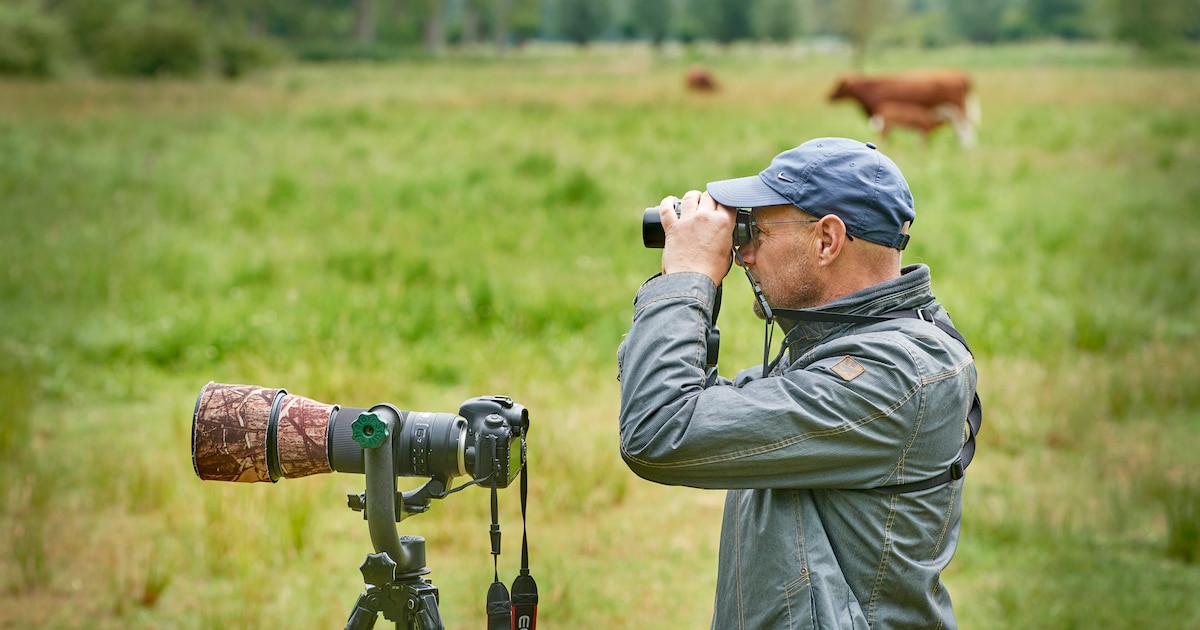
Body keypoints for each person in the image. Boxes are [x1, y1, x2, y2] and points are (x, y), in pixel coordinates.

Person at [617, 138, 979, 629]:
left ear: (827, 240)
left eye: (756, 231)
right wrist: (687, 286)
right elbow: (693, 404)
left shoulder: (897, 373)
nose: (742, 254)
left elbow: (661, 430)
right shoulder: (836, 345)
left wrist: (687, 277)